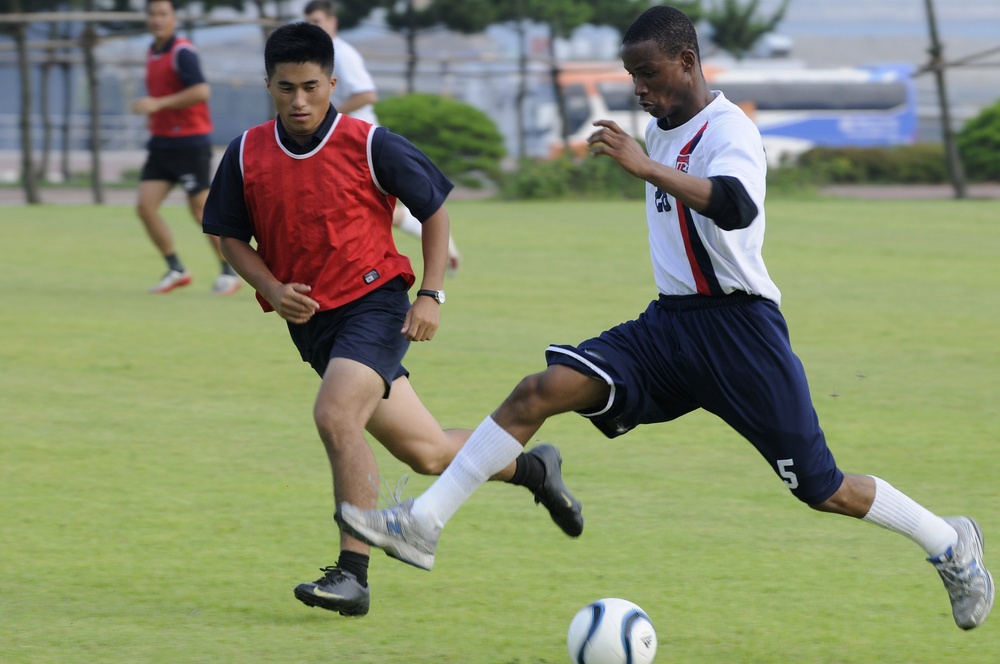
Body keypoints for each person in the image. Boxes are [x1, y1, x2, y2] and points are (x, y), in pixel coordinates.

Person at [335, 6, 994, 631]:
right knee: (539, 390)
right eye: (633, 77)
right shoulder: (659, 128)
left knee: (821, 488)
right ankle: (424, 523)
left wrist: (646, 166)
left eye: (649, 75)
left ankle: (949, 541)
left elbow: (735, 208)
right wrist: (649, 157)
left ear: (687, 60)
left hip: (741, 334)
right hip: (669, 328)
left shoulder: (730, 129)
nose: (640, 89)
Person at [200, 22, 582, 618]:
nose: (299, 101)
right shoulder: (247, 152)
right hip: (316, 328)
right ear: (268, 85)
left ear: (332, 82)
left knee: (333, 414)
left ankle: (352, 574)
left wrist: (431, 293)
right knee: (427, 453)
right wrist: (271, 287)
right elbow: (226, 234)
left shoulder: (371, 143)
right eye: (285, 88)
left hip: (375, 305)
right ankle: (534, 469)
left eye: (310, 86)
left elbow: (433, 212)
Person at [303, 0, 462, 274]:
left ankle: (437, 237)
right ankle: (440, 239)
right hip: (335, 141)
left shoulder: (342, 54)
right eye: (309, 23)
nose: (313, 27)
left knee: (362, 209)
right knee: (357, 209)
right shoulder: (318, 55)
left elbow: (367, 94)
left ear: (332, 22)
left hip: (357, 143)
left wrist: (325, 118)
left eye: (317, 21)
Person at [132, 0, 240, 295]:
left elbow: (201, 90)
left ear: (174, 18)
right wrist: (155, 114)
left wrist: (158, 104)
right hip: (162, 143)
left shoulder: (183, 52)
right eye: (152, 14)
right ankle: (176, 268)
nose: (157, 19)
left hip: (190, 142)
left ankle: (230, 273)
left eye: (163, 14)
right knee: (145, 207)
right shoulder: (152, 52)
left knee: (201, 210)